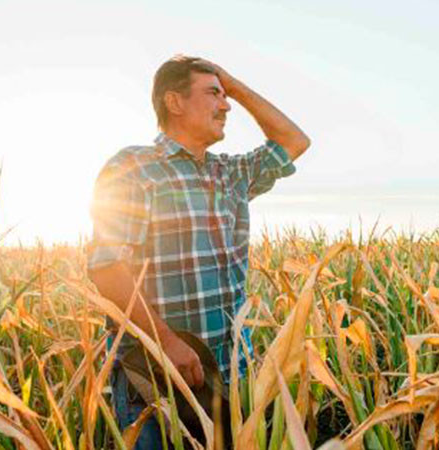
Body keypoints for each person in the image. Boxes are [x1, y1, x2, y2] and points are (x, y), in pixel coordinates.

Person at [86, 55, 310, 449]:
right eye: (212, 94)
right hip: (154, 381)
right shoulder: (134, 167)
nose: (225, 106)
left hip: (227, 377)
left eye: (226, 97)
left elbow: (294, 141)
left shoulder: (231, 174)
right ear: (174, 102)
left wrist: (234, 85)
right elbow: (107, 268)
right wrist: (167, 343)